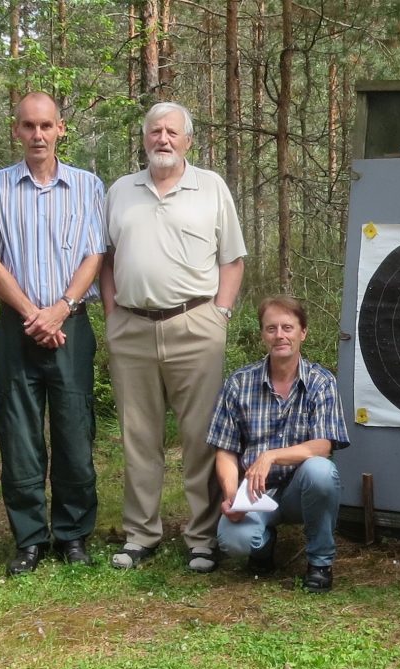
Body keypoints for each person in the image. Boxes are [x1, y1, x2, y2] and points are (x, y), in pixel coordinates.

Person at [0, 92, 106, 576]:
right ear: (16, 130)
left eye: (46, 125)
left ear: (61, 128)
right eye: (28, 126)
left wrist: (60, 310)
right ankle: (29, 539)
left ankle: (72, 534)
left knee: (74, 430)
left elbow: (95, 255)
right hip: (16, 327)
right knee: (19, 435)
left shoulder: (87, 186)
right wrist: (33, 315)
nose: (37, 134)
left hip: (72, 325)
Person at [100, 101, 246, 573]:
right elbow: (106, 259)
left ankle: (202, 537)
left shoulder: (211, 188)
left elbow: (232, 259)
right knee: (138, 436)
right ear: (144, 138)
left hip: (195, 326)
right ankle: (141, 534)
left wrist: (220, 315)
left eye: (172, 132)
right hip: (131, 328)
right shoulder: (121, 191)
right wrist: (112, 315)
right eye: (155, 131)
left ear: (188, 140)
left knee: (201, 437)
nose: (163, 139)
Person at [207, 295, 349, 592]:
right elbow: (225, 450)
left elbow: (322, 446)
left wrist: (271, 456)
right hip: (255, 492)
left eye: (288, 327)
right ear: (263, 335)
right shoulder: (238, 383)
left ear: (303, 333)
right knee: (233, 542)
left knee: (322, 471)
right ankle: (263, 545)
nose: (280, 335)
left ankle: (320, 562)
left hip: (302, 489)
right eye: (271, 328)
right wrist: (233, 497)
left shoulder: (322, 382)